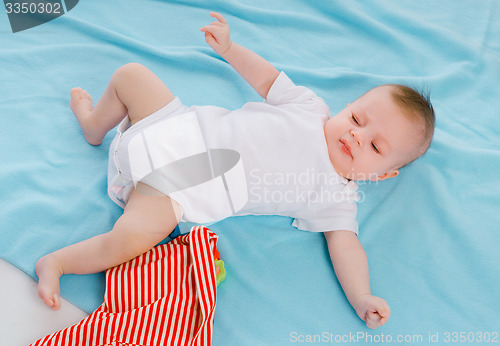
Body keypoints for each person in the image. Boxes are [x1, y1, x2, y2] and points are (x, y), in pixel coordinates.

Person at [35, 12, 434, 330]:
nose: (355, 135)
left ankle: (57, 263)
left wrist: (362, 296)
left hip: (177, 190)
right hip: (175, 125)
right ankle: (94, 125)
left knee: (129, 240)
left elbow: (346, 248)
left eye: (376, 146)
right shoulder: (311, 108)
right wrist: (229, 48)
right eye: (357, 117)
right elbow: (266, 78)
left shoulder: (337, 197)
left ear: (382, 175)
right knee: (131, 75)